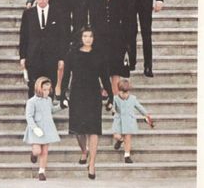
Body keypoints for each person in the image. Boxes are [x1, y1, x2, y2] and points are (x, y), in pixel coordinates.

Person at [60, 27, 113, 179]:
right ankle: (84, 151)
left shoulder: (99, 54)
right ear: (81, 37)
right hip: (77, 93)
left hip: (93, 94)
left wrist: (111, 95)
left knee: (94, 129)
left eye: (90, 36)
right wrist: (63, 94)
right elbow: (66, 76)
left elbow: (104, 76)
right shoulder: (72, 53)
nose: (88, 39)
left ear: (94, 38)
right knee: (78, 130)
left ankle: (92, 163)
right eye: (85, 36)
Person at [19, 0, 65, 98]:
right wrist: (22, 57)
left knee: (49, 87)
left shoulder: (58, 13)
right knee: (33, 87)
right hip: (33, 56)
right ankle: (33, 115)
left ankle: (47, 114)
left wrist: (61, 57)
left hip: (51, 57)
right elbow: (24, 36)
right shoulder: (28, 14)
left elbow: (62, 37)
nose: (42, 0)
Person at [95, 0, 130, 95]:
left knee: (116, 67)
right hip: (100, 37)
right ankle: (105, 90)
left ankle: (115, 96)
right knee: (103, 65)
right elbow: (94, 18)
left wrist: (125, 40)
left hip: (117, 37)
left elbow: (126, 19)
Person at [23, 76, 61, 181]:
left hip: (47, 128)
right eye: (44, 89)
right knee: (37, 150)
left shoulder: (48, 100)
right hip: (36, 129)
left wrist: (61, 106)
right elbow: (29, 116)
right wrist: (35, 128)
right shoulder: (32, 102)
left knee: (44, 151)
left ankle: (41, 171)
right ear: (38, 89)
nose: (47, 92)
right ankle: (33, 154)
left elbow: (52, 110)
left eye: (48, 90)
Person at [112, 79, 153, 163]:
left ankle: (127, 155)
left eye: (126, 93)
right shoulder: (115, 98)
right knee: (116, 135)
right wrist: (112, 109)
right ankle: (120, 140)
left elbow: (139, 107)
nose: (125, 95)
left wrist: (146, 114)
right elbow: (113, 107)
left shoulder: (133, 99)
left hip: (129, 120)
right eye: (122, 93)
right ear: (118, 91)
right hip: (118, 120)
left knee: (128, 138)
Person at [51, 0, 76, 98]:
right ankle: (57, 86)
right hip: (55, 24)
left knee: (66, 58)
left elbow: (76, 5)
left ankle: (64, 86)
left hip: (68, 24)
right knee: (57, 58)